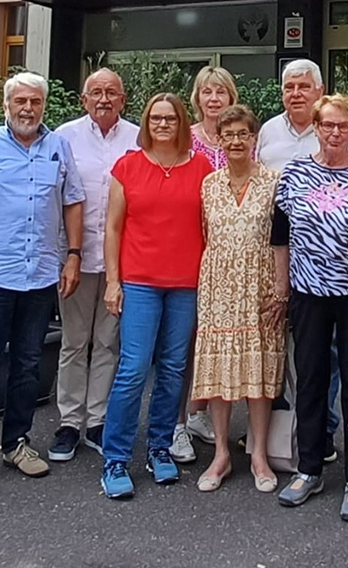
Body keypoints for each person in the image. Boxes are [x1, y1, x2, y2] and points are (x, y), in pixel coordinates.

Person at [0, 72, 85, 499]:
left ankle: (16, 443)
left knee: (27, 365)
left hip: (41, 275)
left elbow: (73, 201)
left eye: (35, 102)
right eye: (20, 101)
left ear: (44, 106)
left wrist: (74, 255)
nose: (28, 108)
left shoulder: (58, 146)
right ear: (6, 105)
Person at [271, 94, 348, 522]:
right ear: (316, 128)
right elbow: (280, 237)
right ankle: (309, 468)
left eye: (343, 126)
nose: (335, 133)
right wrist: (282, 290)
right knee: (311, 380)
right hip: (308, 294)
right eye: (327, 126)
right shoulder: (294, 175)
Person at [99, 93, 213, 499]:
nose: (163, 125)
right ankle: (115, 457)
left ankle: (160, 448)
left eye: (170, 118)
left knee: (172, 369)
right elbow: (112, 228)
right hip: (141, 282)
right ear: (146, 124)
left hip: (185, 283)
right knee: (133, 369)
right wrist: (114, 281)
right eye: (155, 118)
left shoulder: (201, 167)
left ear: (182, 123)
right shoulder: (127, 167)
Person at [191, 105, 285, 493]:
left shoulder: (274, 182)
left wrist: (283, 288)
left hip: (260, 285)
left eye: (241, 134)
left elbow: (282, 239)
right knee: (219, 372)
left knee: (257, 373)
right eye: (227, 134)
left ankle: (259, 454)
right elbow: (203, 234)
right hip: (217, 286)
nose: (234, 141)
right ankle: (221, 455)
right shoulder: (208, 184)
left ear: (253, 138)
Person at [251, 58, 341, 464]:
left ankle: (325, 429)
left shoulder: (333, 128)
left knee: (330, 354)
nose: (296, 94)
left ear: (319, 91)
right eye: (289, 87)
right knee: (285, 346)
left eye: (304, 86)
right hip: (277, 253)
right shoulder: (268, 131)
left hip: (331, 261)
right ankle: (285, 434)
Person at [49, 68, 139, 462]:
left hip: (123, 260)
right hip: (77, 256)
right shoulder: (63, 137)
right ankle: (69, 421)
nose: (104, 99)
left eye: (112, 93)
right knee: (73, 341)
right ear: (83, 99)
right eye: (96, 92)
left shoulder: (139, 138)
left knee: (107, 342)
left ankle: (98, 420)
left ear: (123, 99)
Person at [170, 66, 242, 461]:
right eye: (207, 92)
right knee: (185, 338)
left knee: (215, 338)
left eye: (221, 92)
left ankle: (200, 412)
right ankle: (176, 424)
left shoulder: (244, 137)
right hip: (188, 247)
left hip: (230, 256)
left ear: (232, 98)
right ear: (196, 98)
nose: (214, 99)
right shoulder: (185, 140)